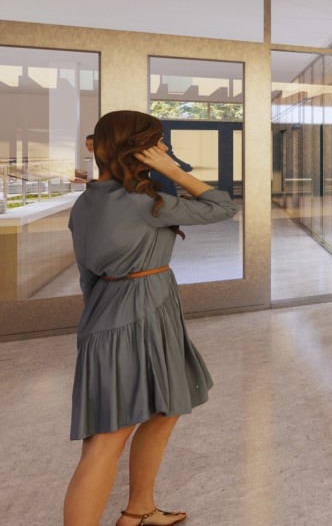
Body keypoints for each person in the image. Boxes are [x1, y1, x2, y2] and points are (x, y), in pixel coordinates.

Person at [63, 111, 239, 526]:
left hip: (117, 314)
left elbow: (88, 277)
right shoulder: (146, 204)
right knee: (106, 442)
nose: (163, 149)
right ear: (141, 150)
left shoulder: (86, 203)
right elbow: (222, 205)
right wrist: (172, 170)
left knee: (165, 409)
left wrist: (98, 326)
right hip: (138, 315)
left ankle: (139, 510)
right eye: (157, 143)